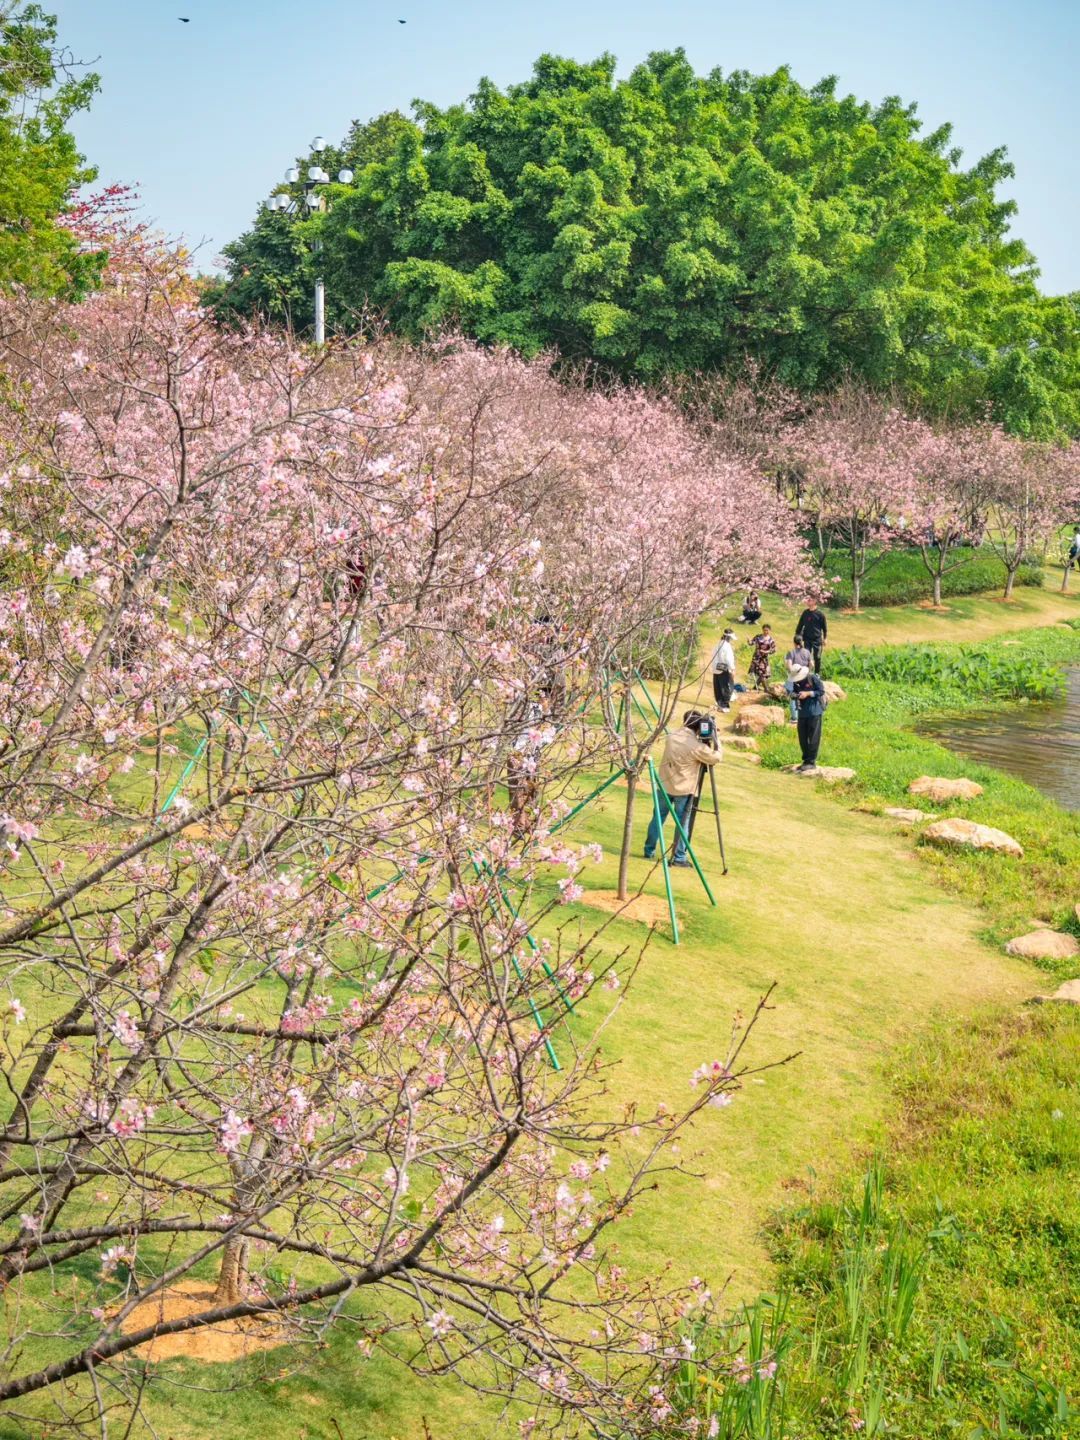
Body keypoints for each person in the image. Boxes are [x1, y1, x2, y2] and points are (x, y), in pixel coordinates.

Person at [644, 711, 723, 867]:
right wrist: (716, 739)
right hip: (684, 789)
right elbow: (716, 757)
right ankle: (679, 857)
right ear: (699, 726)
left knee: (658, 818)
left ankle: (649, 850)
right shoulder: (696, 746)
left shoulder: (672, 737)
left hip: (665, 785)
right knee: (682, 824)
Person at [789, 664, 827, 773]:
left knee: (814, 737)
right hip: (802, 712)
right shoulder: (796, 682)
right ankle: (805, 760)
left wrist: (808, 693)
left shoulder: (812, 678)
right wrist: (794, 695)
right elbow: (794, 692)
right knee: (802, 737)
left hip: (814, 711)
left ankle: (811, 761)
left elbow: (821, 691)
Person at [783, 633, 812, 722]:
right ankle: (805, 714)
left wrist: (792, 672)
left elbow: (789, 666)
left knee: (792, 695)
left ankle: (794, 717)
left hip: (795, 676)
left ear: (794, 643)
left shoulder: (791, 652)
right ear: (802, 641)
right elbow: (812, 664)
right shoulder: (807, 652)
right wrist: (808, 671)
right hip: (805, 676)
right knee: (805, 695)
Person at [795, 600, 827, 678]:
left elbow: (824, 628)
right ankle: (806, 673)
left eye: (810, 601)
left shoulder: (820, 614)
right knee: (806, 656)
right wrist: (797, 637)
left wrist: (825, 638)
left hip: (817, 639)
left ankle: (817, 674)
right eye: (808, 600)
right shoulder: (805, 613)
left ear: (814, 602)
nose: (808, 602)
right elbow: (800, 625)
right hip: (807, 638)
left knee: (817, 657)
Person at [710, 627, 736, 712]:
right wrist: (732, 669)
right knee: (726, 687)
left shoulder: (717, 644)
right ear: (728, 638)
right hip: (724, 668)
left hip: (716, 667)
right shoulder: (727, 646)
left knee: (717, 687)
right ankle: (724, 706)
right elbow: (729, 659)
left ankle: (720, 703)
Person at [748, 623, 776, 689]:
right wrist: (749, 641)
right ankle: (765, 688)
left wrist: (766, 652)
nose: (765, 632)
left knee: (763, 673)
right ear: (762, 630)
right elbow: (751, 643)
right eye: (764, 630)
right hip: (756, 657)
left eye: (767, 630)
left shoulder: (771, 640)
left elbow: (773, 650)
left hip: (764, 658)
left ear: (770, 630)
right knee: (760, 672)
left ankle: (756, 687)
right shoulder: (758, 637)